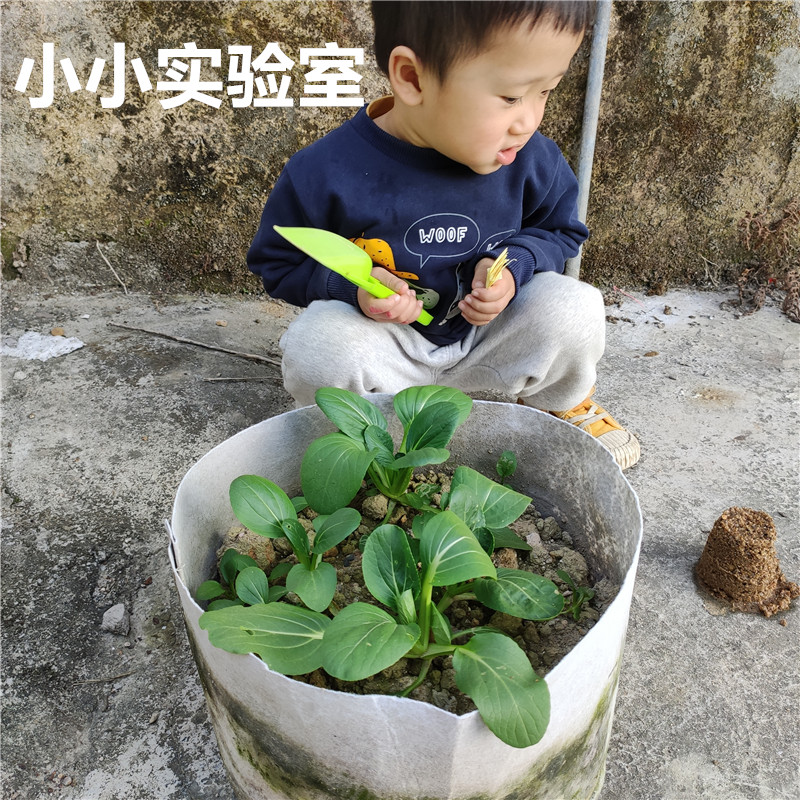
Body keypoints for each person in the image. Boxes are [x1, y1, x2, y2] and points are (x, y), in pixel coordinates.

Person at [247, 0, 640, 470]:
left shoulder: (531, 159)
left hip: (489, 339)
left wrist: (514, 267)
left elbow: (560, 230)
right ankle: (352, 435)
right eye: (512, 97)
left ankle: (561, 402)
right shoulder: (324, 172)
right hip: (388, 346)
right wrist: (355, 288)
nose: (528, 120)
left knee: (574, 307)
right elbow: (277, 262)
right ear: (412, 78)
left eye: (546, 92)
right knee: (319, 346)